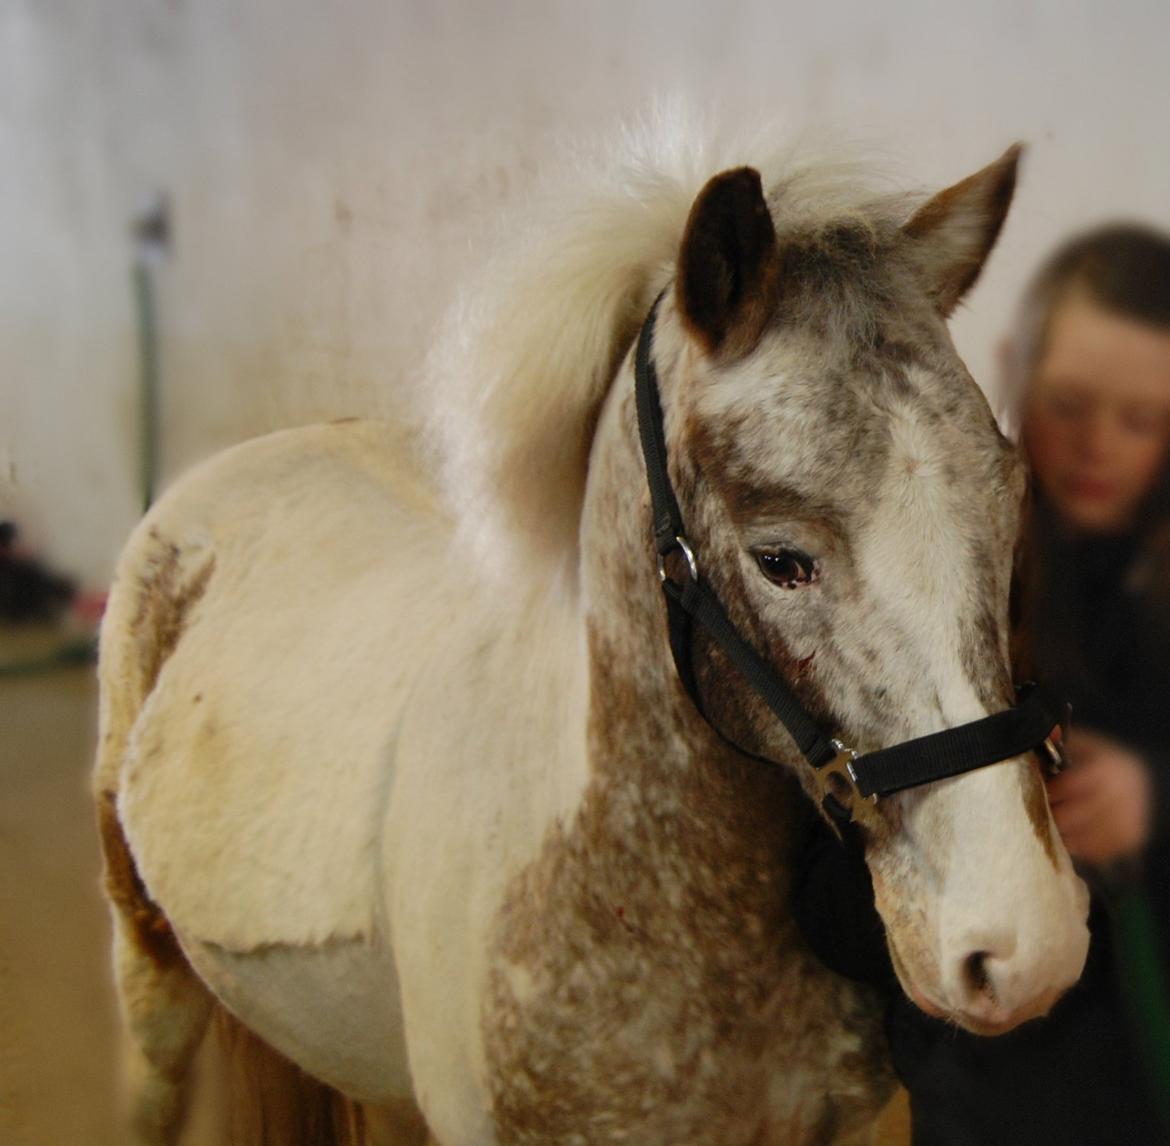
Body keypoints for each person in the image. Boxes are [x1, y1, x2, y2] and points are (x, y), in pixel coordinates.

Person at [794, 223, 1170, 1145]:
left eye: (1141, 419)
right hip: (982, 1092)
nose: (1096, 446)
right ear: (1013, 374)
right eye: (1071, 402)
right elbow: (831, 903)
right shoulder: (918, 580)